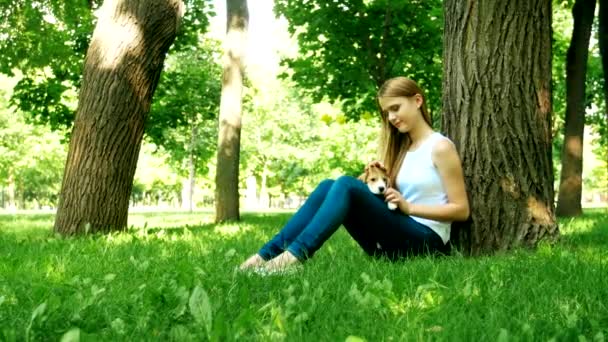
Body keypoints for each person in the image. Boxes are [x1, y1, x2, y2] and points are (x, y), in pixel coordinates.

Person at [239, 77, 470, 273]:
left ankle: (292, 258)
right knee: (329, 185)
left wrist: (410, 208)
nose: (391, 117)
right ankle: (263, 256)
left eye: (395, 108)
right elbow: (384, 201)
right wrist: (373, 177)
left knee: (346, 185)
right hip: (395, 239)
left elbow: (461, 210)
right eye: (386, 112)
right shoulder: (402, 150)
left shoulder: (440, 147)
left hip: (427, 241)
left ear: (417, 101)